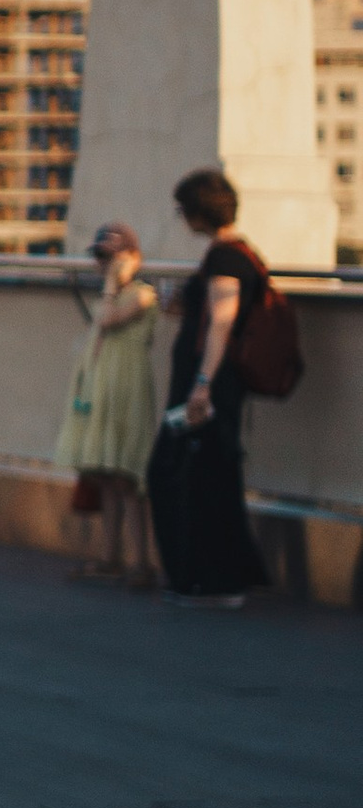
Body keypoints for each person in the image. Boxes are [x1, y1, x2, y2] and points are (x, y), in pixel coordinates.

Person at [147, 169, 271, 606]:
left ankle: (213, 581)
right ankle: (224, 576)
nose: (181, 218)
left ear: (199, 211)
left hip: (208, 391)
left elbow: (222, 322)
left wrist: (202, 387)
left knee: (182, 475)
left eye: (183, 209)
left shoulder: (226, 259)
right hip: (213, 387)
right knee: (208, 476)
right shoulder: (232, 255)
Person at [53, 221, 161, 586]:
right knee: (105, 475)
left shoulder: (142, 294)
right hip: (103, 390)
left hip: (127, 391)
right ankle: (110, 557)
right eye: (99, 257)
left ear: (132, 257)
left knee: (128, 478)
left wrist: (115, 283)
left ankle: (140, 563)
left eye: (109, 256)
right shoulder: (110, 295)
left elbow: (110, 321)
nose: (103, 264)